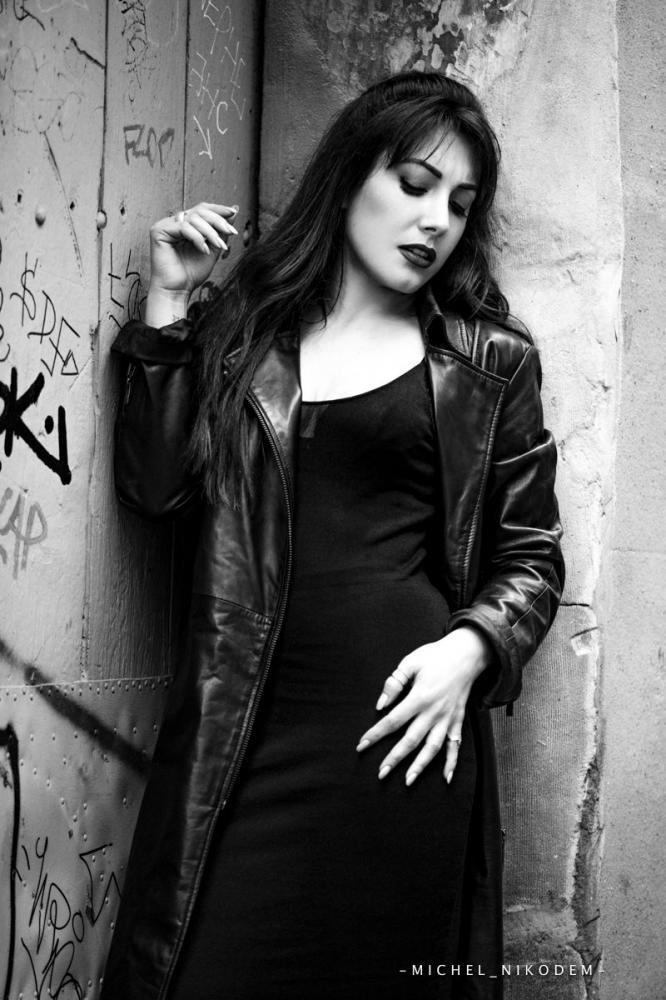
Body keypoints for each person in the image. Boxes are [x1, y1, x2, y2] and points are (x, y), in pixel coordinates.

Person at [101, 71, 564, 1000]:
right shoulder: (247, 332)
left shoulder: (488, 360)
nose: (436, 221)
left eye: (460, 205)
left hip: (402, 745)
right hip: (241, 734)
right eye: (415, 184)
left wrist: (472, 649)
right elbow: (157, 491)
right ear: (352, 175)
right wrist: (169, 307)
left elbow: (533, 554)